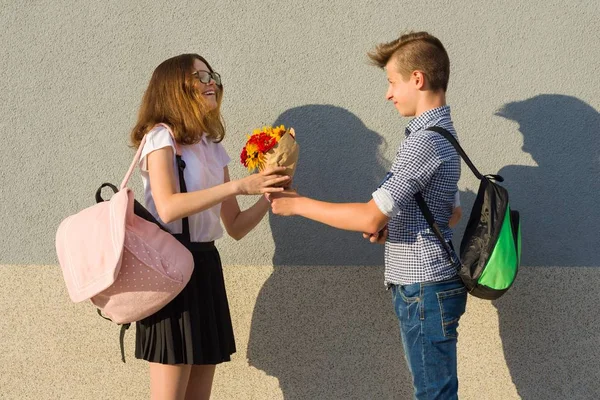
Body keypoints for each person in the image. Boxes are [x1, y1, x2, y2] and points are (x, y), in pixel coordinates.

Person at [270, 32, 466, 399]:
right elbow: (450, 214)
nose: (388, 93)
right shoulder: (444, 134)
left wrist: (295, 204)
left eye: (392, 82)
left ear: (418, 79)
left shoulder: (423, 141)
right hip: (431, 282)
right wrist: (398, 230)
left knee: (434, 395)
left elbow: (368, 218)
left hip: (423, 287)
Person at [129, 53, 289, 400]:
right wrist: (238, 186)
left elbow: (234, 225)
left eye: (212, 75)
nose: (211, 82)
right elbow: (169, 207)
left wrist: (268, 194)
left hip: (205, 267)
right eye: (200, 77)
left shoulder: (211, 145)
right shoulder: (161, 138)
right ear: (174, 88)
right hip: (170, 268)